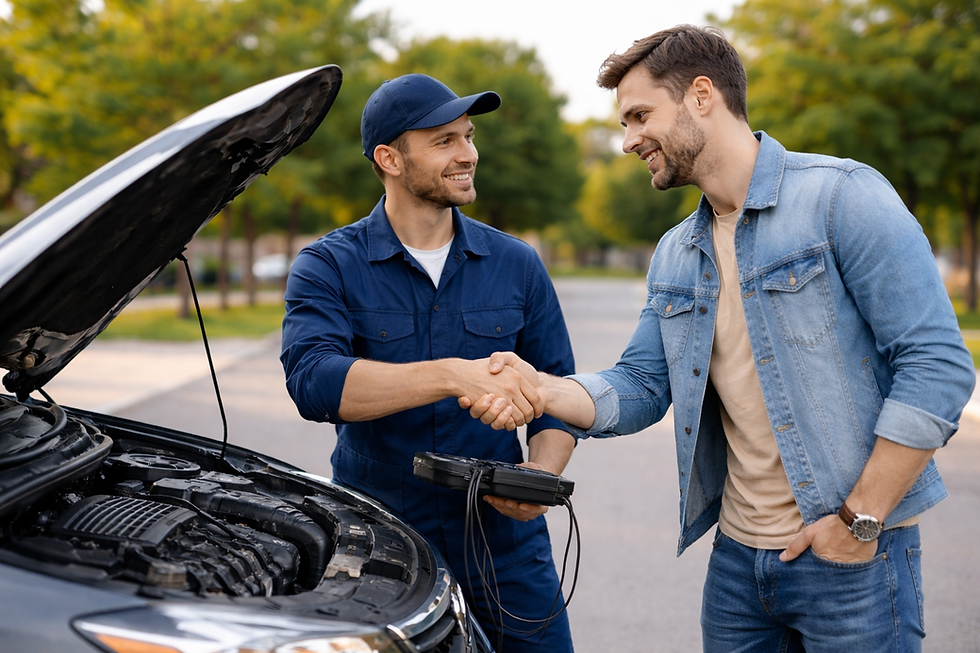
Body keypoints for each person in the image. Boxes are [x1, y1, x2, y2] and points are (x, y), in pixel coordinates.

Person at [468, 25, 975, 653]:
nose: (628, 141)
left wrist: (858, 523)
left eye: (639, 115)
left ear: (701, 95)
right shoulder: (677, 252)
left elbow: (937, 365)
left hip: (854, 558)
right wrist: (543, 389)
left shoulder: (842, 197)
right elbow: (644, 384)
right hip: (738, 565)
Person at [279, 73, 576, 652]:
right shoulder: (327, 266)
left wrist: (540, 473)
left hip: (504, 542)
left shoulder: (516, 263)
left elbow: (556, 392)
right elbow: (313, 383)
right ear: (390, 158)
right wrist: (450, 373)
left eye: (467, 137)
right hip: (379, 541)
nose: (469, 154)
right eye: (444, 141)